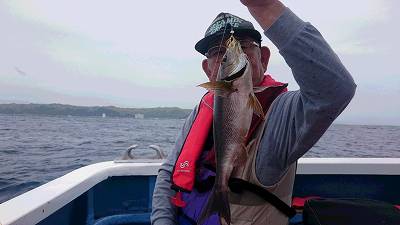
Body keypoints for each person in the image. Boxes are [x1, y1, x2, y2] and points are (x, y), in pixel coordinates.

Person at [151, 0, 356, 224]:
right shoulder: (206, 106)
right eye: (218, 51)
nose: (231, 51)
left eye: (244, 45)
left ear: (264, 58)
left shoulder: (284, 113)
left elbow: (335, 90)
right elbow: (169, 172)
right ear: (208, 70)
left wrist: (266, 8)